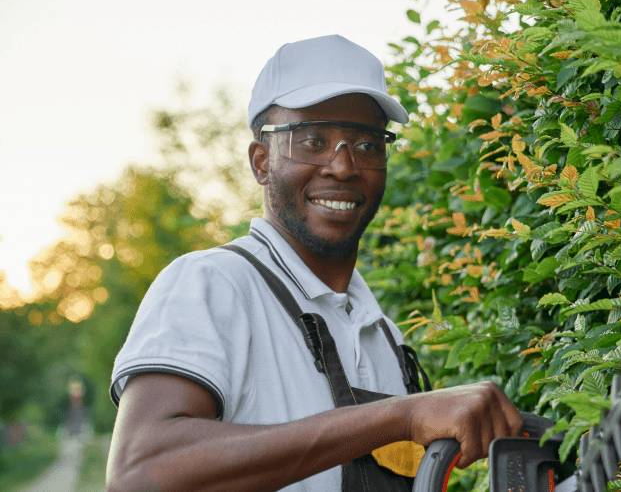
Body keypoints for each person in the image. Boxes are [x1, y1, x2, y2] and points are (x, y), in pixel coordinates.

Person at [106, 35, 523, 492]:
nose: (342, 167)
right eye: (313, 140)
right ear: (261, 162)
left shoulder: (382, 334)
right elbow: (140, 472)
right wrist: (400, 415)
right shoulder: (213, 283)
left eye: (366, 144)